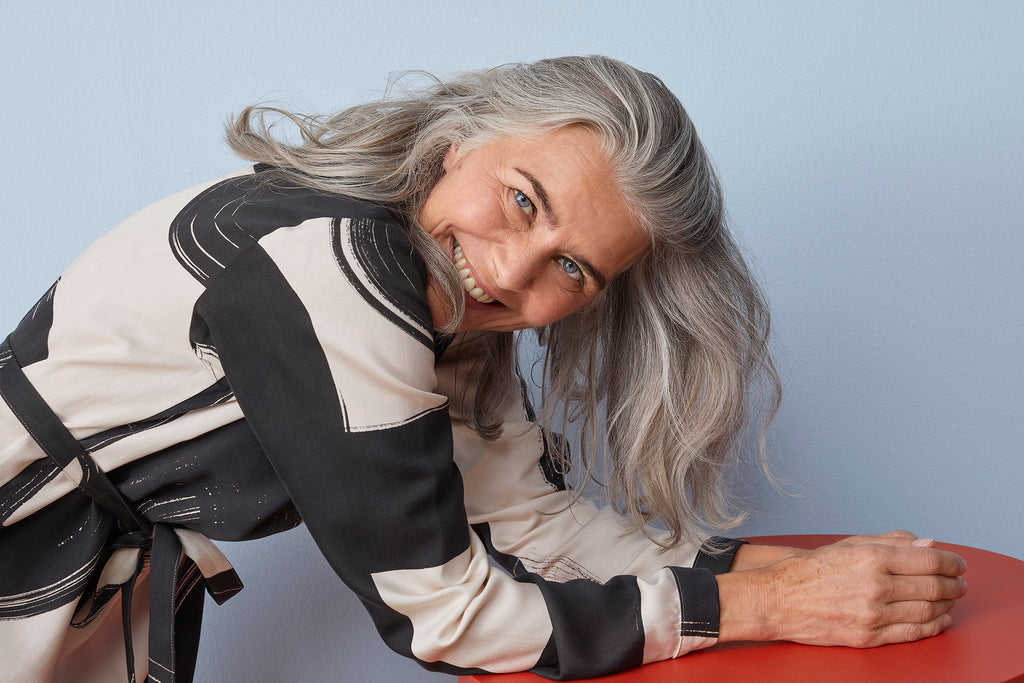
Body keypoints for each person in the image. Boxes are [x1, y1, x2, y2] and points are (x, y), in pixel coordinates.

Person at [0, 56, 966, 682]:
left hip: (69, 601)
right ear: (459, 140)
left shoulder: (436, 304)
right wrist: (759, 606)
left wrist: (803, 578)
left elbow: (536, 525)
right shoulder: (334, 265)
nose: (509, 273)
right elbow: (451, 617)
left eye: (572, 269)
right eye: (522, 200)